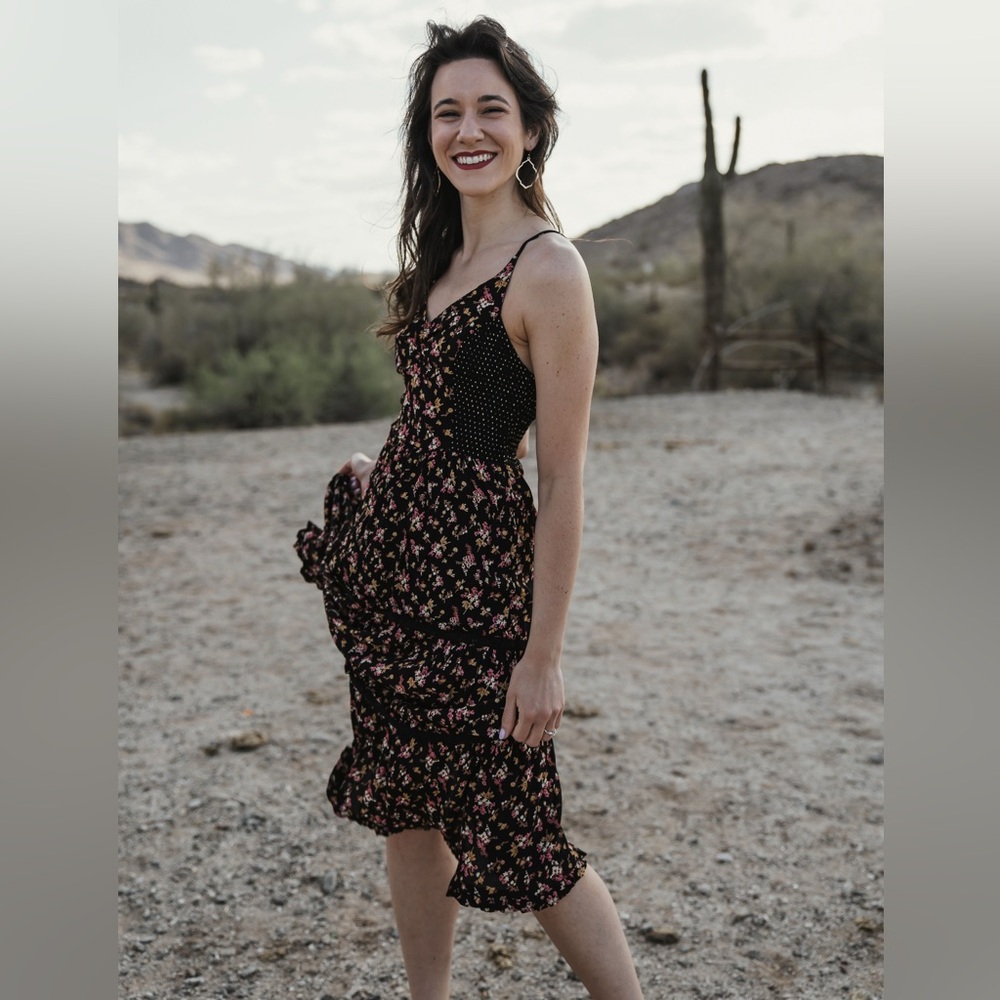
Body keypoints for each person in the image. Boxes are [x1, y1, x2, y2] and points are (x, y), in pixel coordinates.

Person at [296, 16, 644, 1000]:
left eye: (491, 108)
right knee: (408, 807)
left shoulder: (550, 269)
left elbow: (563, 477)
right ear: (428, 136)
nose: (468, 130)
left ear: (530, 126)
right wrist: (389, 466)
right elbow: (443, 412)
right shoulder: (440, 260)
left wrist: (543, 655)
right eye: (446, 112)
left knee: (520, 825)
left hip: (477, 595)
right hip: (394, 580)